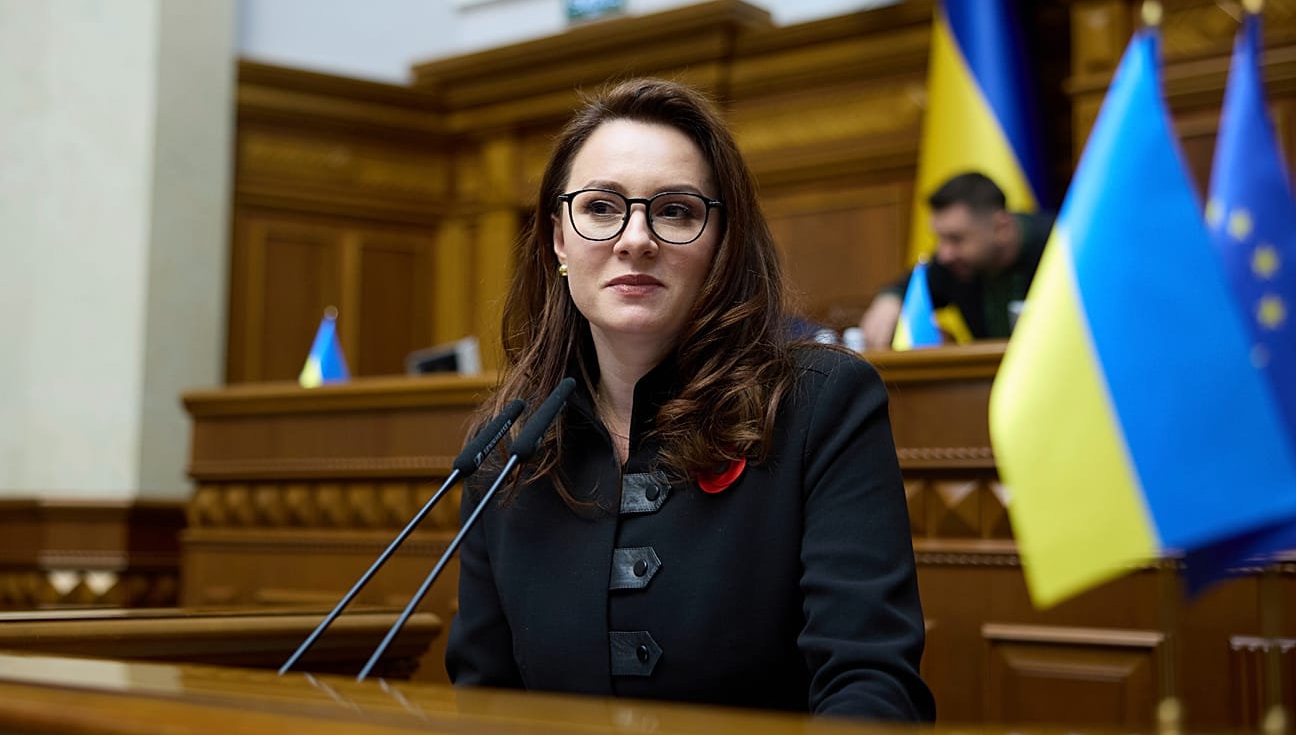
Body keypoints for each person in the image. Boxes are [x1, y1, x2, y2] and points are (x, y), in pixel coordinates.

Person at [445, 78, 934, 720]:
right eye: (600, 207)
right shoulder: (510, 446)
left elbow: (872, 687)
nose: (635, 238)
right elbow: (484, 704)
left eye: (675, 211)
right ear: (557, 240)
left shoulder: (821, 405)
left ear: (721, 243)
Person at [859, 172, 1053, 349]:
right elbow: (909, 288)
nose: (944, 254)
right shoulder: (953, 265)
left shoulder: (1059, 249)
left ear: (1001, 228)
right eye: (940, 239)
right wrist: (890, 299)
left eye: (956, 238)